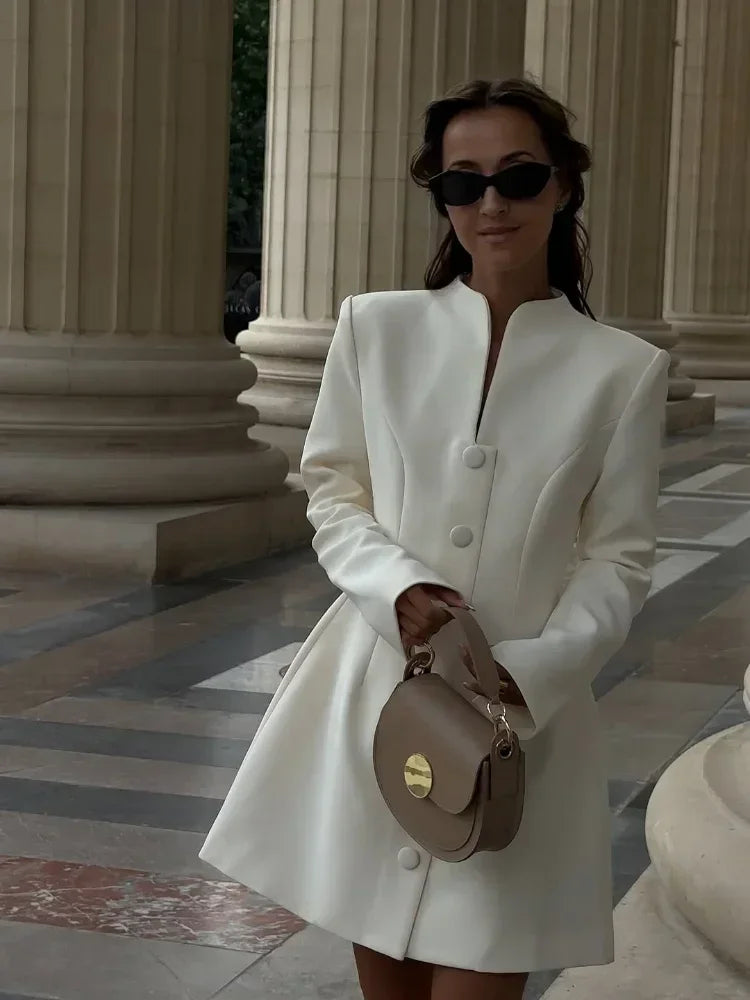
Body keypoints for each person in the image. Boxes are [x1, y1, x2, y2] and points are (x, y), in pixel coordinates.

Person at [200, 78, 669, 1000]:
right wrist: (395, 588)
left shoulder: (623, 371)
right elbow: (336, 490)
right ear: (442, 197)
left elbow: (620, 553)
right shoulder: (376, 329)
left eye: (518, 176)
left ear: (563, 186)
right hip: (382, 693)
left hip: (521, 722)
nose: (490, 203)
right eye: (463, 183)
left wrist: (535, 669)